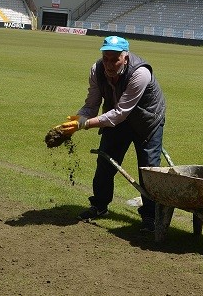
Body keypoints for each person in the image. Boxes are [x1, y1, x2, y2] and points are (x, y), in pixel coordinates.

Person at [59, 35, 167, 233]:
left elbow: (120, 113)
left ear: (125, 58)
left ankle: (151, 216)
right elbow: (91, 104)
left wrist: (85, 125)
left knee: (149, 168)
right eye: (106, 58)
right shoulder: (97, 69)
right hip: (117, 119)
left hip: (147, 120)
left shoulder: (140, 73)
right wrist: (76, 120)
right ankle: (99, 206)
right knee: (105, 161)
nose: (109, 64)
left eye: (114, 59)